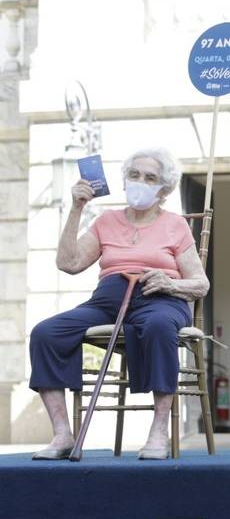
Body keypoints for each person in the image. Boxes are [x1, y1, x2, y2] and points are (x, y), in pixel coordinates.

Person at [28, 147, 208, 460]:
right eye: (134, 175)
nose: (140, 181)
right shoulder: (106, 221)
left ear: (163, 189)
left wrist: (170, 282)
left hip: (160, 297)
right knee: (46, 332)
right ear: (124, 181)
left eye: (150, 177)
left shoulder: (175, 225)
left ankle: (159, 430)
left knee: (158, 326)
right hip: (108, 300)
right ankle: (62, 434)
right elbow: (68, 263)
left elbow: (201, 284)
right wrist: (76, 208)